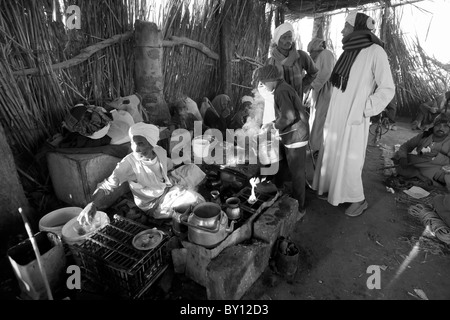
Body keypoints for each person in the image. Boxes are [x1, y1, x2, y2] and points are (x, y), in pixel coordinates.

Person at [312, 11, 395, 217]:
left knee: (349, 160)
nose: (342, 30)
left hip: (354, 117)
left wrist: (365, 108)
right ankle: (332, 189)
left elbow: (387, 89)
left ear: (357, 27)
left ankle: (358, 200)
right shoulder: (348, 51)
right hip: (337, 115)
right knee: (332, 153)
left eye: (346, 27)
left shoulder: (376, 51)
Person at [77, 122, 206, 225]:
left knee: (193, 168)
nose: (135, 148)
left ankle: (180, 194)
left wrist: (184, 161)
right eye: (133, 143)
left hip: (167, 184)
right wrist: (92, 204)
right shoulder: (129, 164)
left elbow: (169, 164)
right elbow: (107, 186)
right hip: (155, 203)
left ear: (151, 144)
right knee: (196, 199)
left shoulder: (159, 151)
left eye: (140, 144)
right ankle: (172, 209)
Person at [253, 64, 310, 216]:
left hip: (296, 134)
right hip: (292, 133)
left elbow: (289, 117)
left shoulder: (281, 91)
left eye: (264, 82)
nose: (264, 86)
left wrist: (273, 126)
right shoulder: (281, 88)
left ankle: (300, 208)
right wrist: (273, 123)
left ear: (271, 79)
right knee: (287, 164)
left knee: (297, 172)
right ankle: (283, 188)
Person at [393, 114, 450, 190]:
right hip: (418, 163)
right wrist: (403, 157)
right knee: (397, 156)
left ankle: (418, 177)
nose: (441, 128)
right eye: (438, 125)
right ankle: (417, 175)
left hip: (437, 167)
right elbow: (405, 146)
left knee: (446, 178)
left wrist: (436, 156)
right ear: (433, 126)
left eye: (445, 126)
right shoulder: (424, 135)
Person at [266, 22, 318, 104]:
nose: (288, 41)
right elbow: (269, 88)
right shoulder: (271, 62)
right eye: (284, 37)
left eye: (290, 37)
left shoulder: (301, 56)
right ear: (277, 40)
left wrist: (303, 85)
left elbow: (314, 72)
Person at [306, 37, 336, 157]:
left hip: (326, 89)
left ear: (316, 49)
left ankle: (319, 148)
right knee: (316, 117)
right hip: (319, 89)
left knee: (321, 118)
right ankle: (315, 146)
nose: (310, 55)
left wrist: (313, 85)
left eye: (311, 52)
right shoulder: (320, 56)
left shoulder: (326, 54)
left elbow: (326, 73)